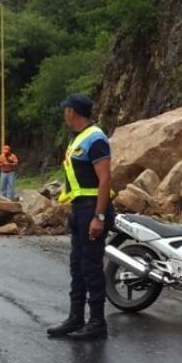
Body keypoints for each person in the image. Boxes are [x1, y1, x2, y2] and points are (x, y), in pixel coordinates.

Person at [48, 94, 114, 341]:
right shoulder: (77, 138)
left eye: (66, 109)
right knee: (77, 267)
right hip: (79, 209)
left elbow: (105, 179)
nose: (64, 113)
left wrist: (99, 216)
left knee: (91, 267)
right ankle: (76, 317)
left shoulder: (95, 138)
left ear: (72, 112)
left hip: (92, 209)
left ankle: (97, 322)